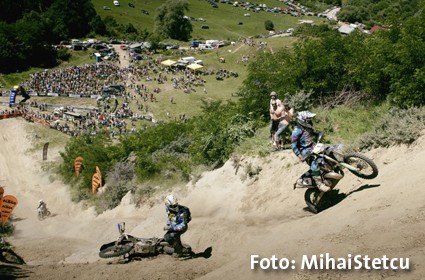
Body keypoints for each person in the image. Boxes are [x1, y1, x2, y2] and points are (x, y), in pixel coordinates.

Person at [291, 111, 330, 192]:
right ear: (303, 120)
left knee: (327, 152)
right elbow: (293, 145)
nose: (310, 121)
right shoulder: (297, 130)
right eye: (308, 119)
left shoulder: (306, 127)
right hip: (304, 150)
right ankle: (319, 184)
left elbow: (311, 134)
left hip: (312, 145)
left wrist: (319, 134)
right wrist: (299, 155)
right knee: (315, 162)